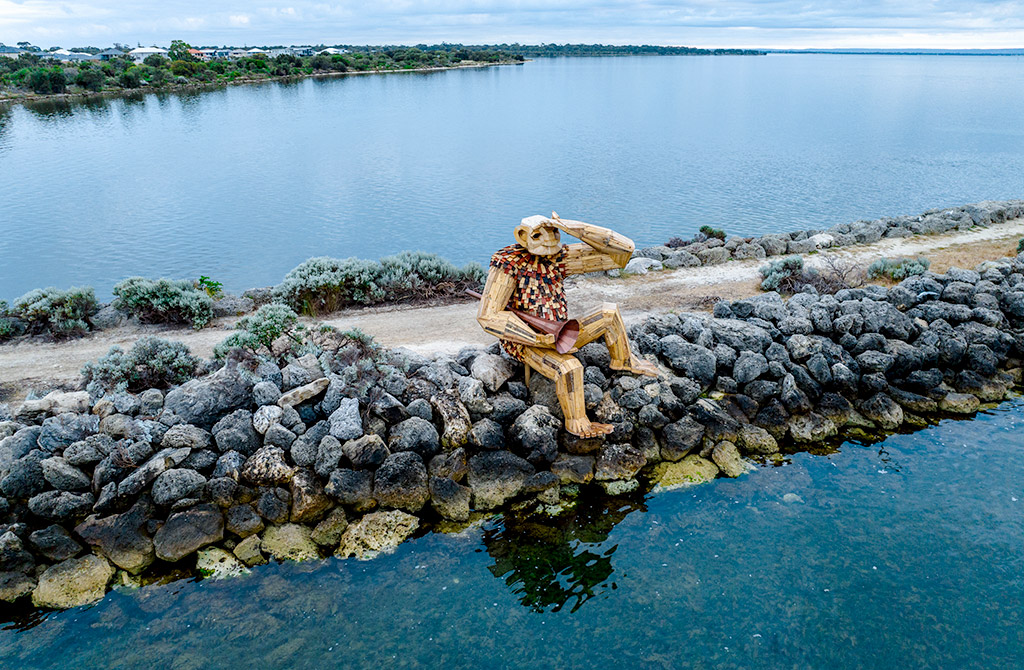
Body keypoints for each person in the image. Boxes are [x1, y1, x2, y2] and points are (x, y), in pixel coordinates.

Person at [476, 213, 659, 438]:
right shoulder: (508, 263)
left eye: (554, 232)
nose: (550, 239)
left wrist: (573, 228)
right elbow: (489, 315)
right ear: (522, 236)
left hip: (563, 331)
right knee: (570, 368)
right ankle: (577, 422)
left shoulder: (557, 258)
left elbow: (622, 253)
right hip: (526, 343)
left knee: (608, 313)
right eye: (539, 235)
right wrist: (536, 339)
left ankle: (624, 360)